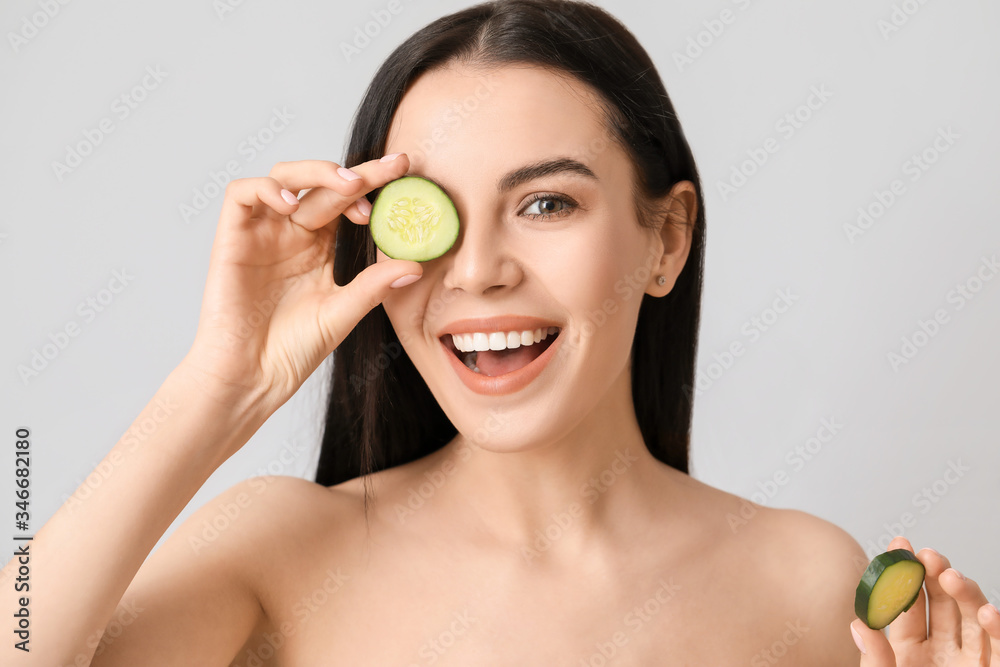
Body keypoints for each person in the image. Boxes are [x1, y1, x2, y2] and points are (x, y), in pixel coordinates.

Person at [4, 1, 997, 665]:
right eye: (429, 212)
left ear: (666, 239)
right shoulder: (281, 548)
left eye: (545, 206)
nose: (475, 270)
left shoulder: (805, 579)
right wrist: (217, 386)